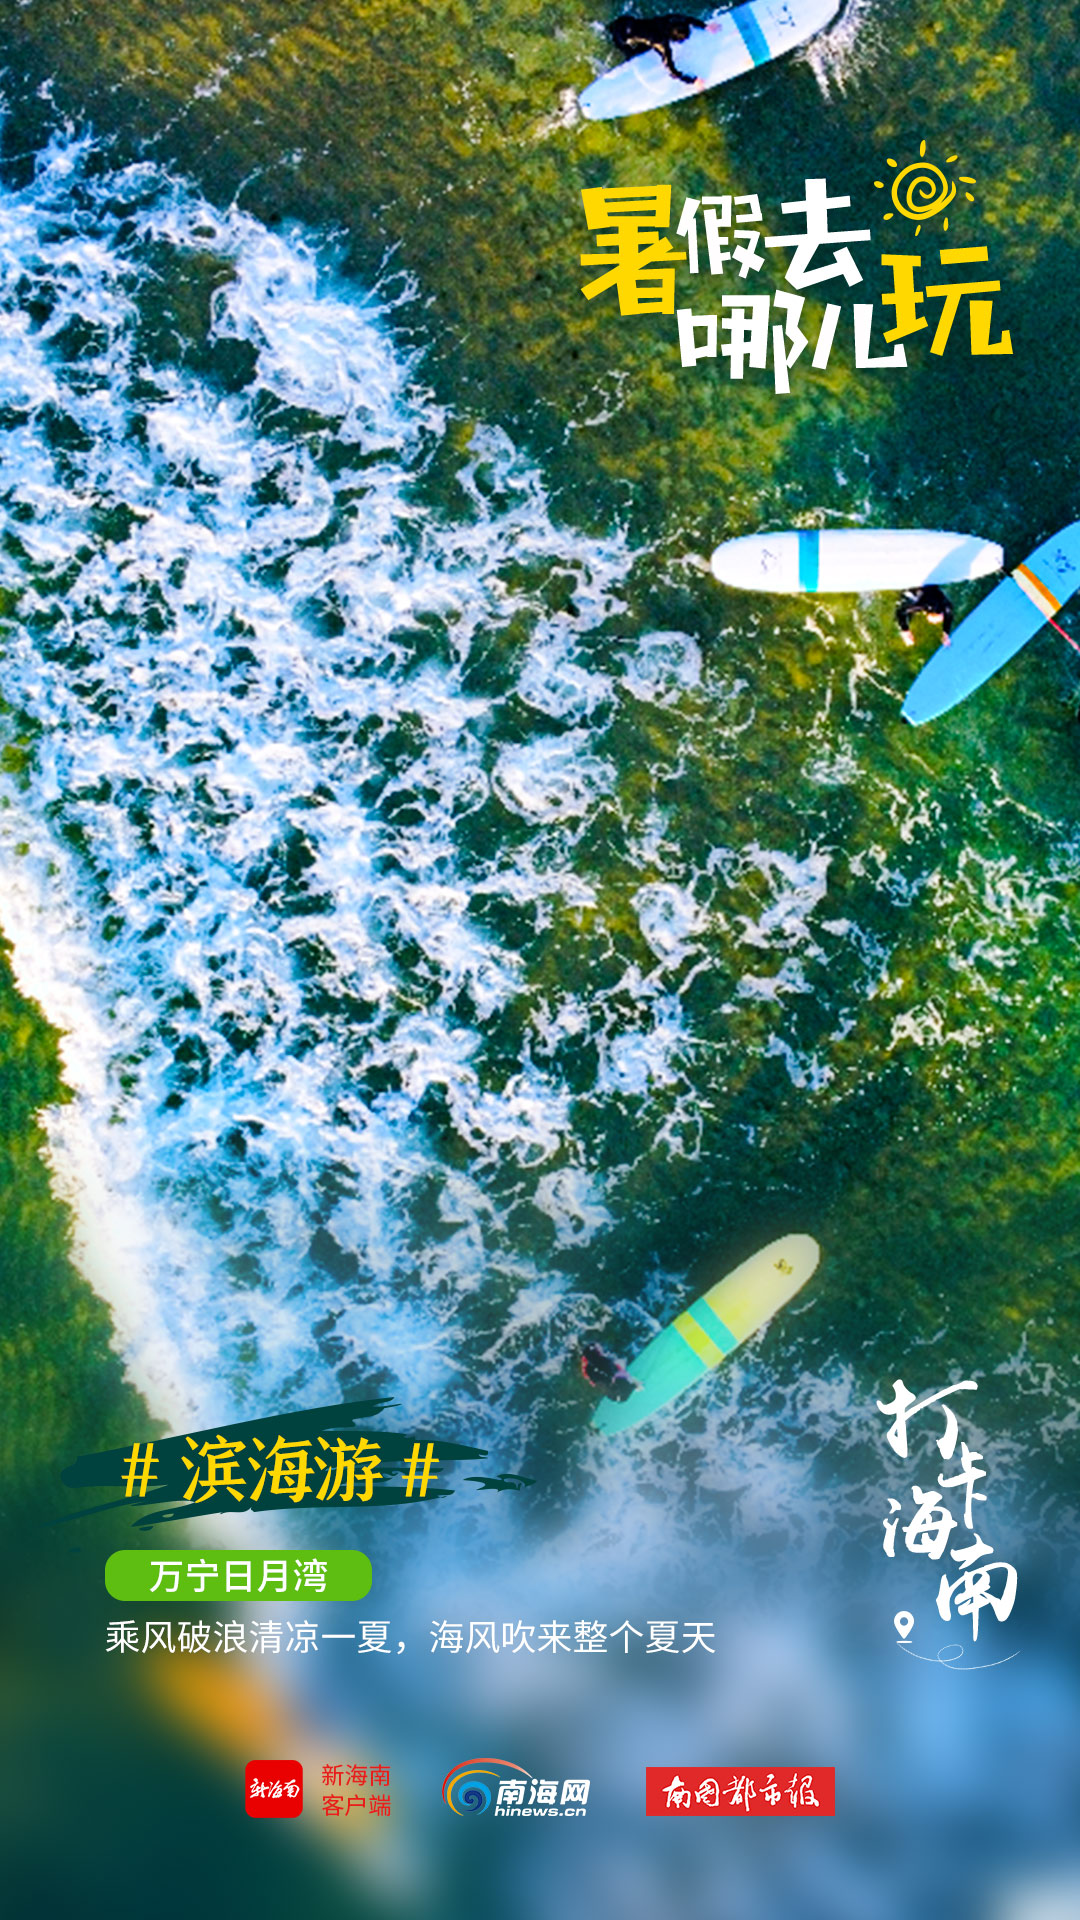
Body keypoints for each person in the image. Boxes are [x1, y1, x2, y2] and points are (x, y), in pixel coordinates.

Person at [607, 13, 707, 85]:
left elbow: (684, 18)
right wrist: (693, 81)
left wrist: (704, 26)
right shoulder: (662, 43)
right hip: (620, 38)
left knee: (643, 35)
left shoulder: (666, 20)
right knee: (636, 54)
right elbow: (672, 72)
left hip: (623, 21)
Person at [895, 584, 953, 648]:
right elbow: (900, 612)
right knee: (909, 606)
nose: (935, 623)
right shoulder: (925, 605)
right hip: (916, 591)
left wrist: (946, 633)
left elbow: (948, 612)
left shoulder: (941, 602)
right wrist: (905, 631)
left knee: (909, 608)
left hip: (920, 591)